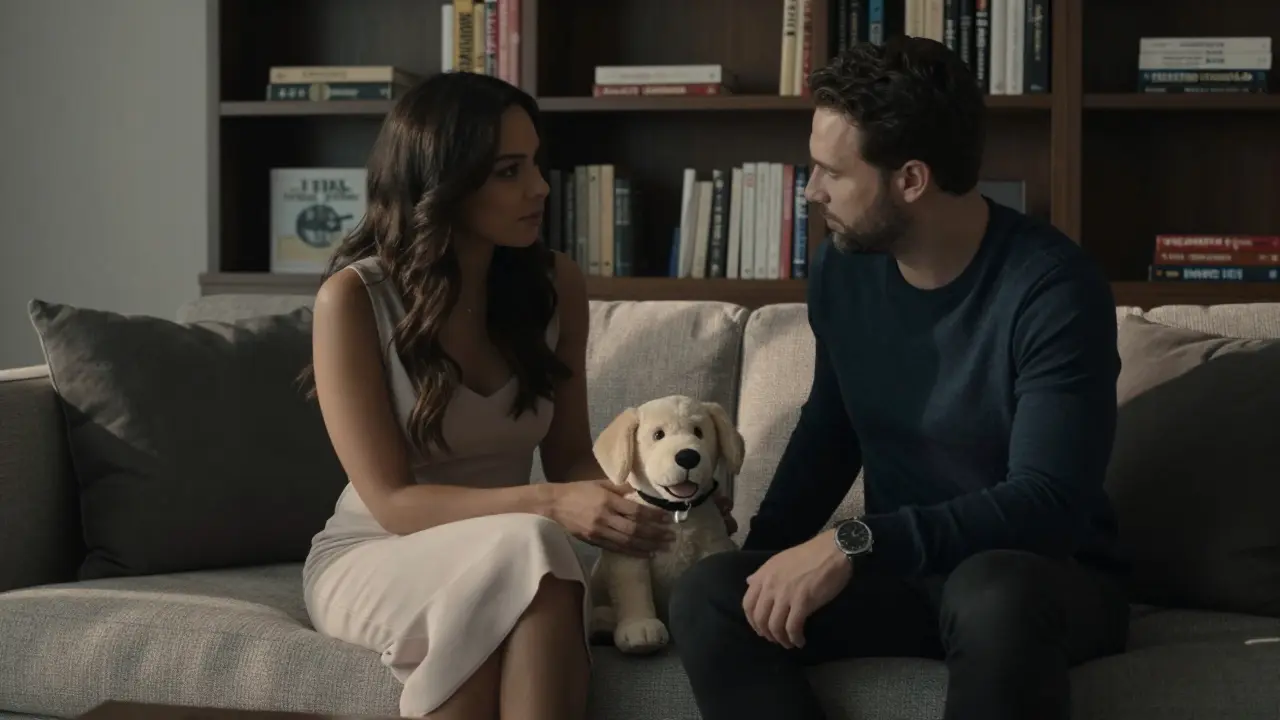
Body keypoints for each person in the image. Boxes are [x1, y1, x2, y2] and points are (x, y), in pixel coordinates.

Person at [667, 36, 1132, 720]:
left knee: (992, 588)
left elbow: (1047, 503)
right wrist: (767, 558)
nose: (811, 192)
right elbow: (831, 429)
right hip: (908, 578)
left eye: (831, 172)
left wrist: (851, 541)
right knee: (712, 593)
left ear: (910, 180)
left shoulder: (1053, 288)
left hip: (1042, 583)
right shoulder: (843, 268)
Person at [297, 71, 732, 720]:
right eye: (508, 170)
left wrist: (656, 511)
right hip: (374, 556)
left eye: (535, 163)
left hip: (510, 552)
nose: (539, 188)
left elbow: (570, 461)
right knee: (535, 545)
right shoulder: (354, 300)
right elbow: (391, 503)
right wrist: (553, 505)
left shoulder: (555, 285)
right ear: (442, 182)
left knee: (530, 554)